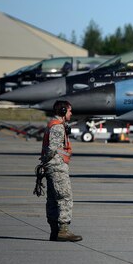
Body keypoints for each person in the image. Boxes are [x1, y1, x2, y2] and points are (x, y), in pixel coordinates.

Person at [34, 100, 82, 242]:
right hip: (57, 167)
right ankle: (63, 230)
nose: (71, 113)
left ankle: (54, 231)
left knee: (53, 199)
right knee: (65, 198)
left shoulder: (55, 125)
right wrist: (47, 161)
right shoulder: (57, 127)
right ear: (62, 111)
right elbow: (52, 148)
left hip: (53, 167)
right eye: (69, 110)